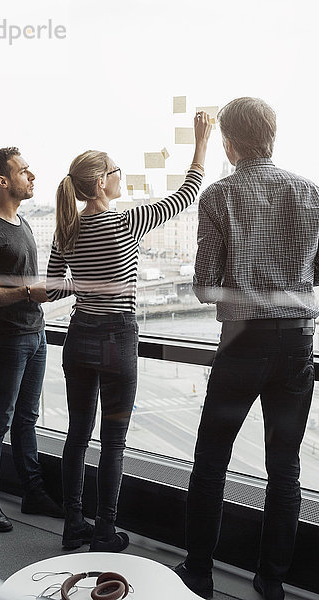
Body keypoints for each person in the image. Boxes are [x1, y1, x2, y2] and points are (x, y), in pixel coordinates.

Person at [46, 113, 211, 552]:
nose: (122, 178)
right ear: (101, 182)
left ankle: (72, 526)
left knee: (77, 436)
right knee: (113, 442)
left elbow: (49, 289)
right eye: (117, 171)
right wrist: (201, 142)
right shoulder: (125, 222)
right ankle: (104, 530)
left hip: (78, 336)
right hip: (117, 338)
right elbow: (187, 193)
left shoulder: (66, 230)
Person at [174, 98, 319, 600]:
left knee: (212, 462)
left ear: (229, 145)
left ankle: (199, 573)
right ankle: (272, 580)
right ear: (272, 138)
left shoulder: (219, 196)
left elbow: (204, 286)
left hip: (242, 346)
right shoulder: (310, 192)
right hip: (298, 343)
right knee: (285, 470)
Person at [0, 147, 64, 532]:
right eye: (24, 171)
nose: (32, 175)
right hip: (6, 339)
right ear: (3, 181)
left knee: (27, 419)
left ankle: (33, 493)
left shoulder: (21, 223)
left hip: (34, 334)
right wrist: (26, 294)